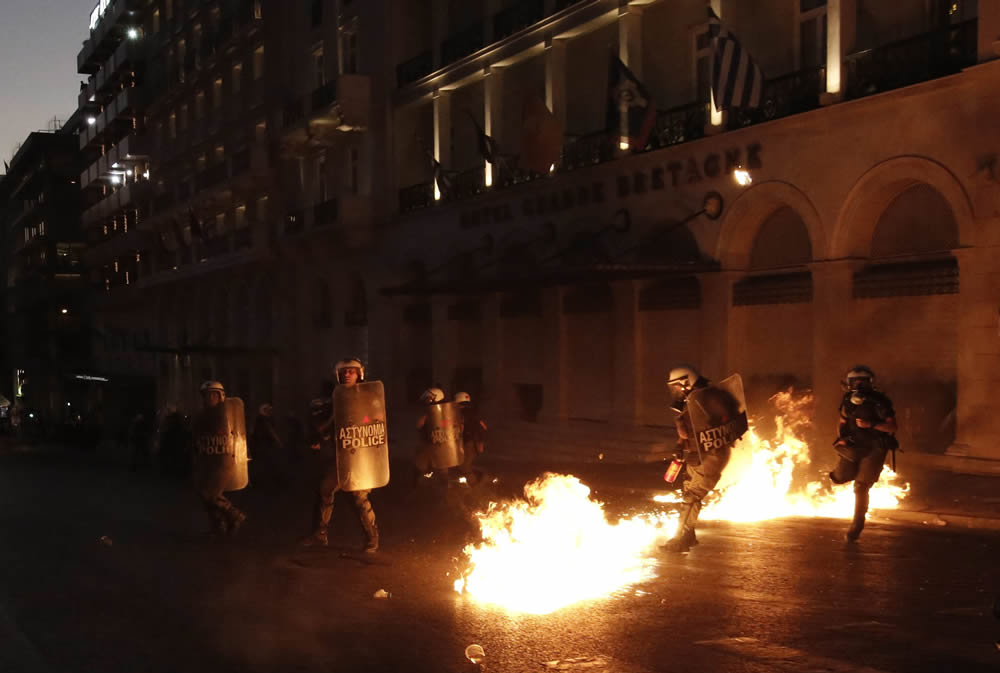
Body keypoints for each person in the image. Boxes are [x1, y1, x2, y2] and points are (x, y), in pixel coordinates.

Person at [661, 364, 745, 553]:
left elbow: (720, 422)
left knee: (692, 496)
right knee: (689, 493)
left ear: (685, 382)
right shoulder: (692, 402)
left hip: (710, 454)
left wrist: (700, 446)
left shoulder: (708, 398)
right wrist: (681, 447)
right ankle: (688, 535)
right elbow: (688, 431)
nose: (674, 390)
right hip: (696, 455)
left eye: (676, 386)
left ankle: (680, 538)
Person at [301, 358, 379, 552]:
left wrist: (368, 418)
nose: (347, 374)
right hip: (341, 455)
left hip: (361, 456)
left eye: (351, 371)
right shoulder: (331, 400)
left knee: (359, 497)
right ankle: (320, 535)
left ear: (359, 374)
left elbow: (375, 423)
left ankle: (372, 538)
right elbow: (321, 428)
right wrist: (334, 415)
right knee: (325, 489)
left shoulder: (368, 397)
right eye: (344, 371)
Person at [829, 366, 898, 542]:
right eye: (854, 381)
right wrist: (842, 438)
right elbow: (842, 421)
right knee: (839, 477)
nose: (858, 384)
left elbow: (892, 427)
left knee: (861, 487)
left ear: (870, 382)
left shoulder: (879, 402)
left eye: (862, 381)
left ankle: (857, 525)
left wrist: (871, 425)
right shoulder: (847, 400)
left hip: (875, 448)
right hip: (853, 446)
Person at [191, 381, 248, 537]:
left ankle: (235, 515)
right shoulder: (202, 415)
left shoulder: (223, 414)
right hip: (207, 459)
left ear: (220, 396)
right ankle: (219, 525)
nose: (209, 398)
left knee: (209, 493)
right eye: (206, 395)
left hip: (222, 460)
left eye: (213, 394)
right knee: (205, 496)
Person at [454, 391, 487, 484]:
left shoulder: (461, 414)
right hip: (472, 442)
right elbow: (484, 427)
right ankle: (478, 477)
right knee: (462, 465)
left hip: (470, 443)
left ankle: (475, 484)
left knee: (464, 467)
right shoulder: (473, 413)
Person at [250, 402, 284, 487]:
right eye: (268, 411)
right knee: (268, 464)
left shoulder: (259, 420)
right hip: (264, 446)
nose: (270, 412)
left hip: (260, 446)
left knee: (263, 465)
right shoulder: (263, 420)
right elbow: (270, 432)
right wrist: (278, 442)